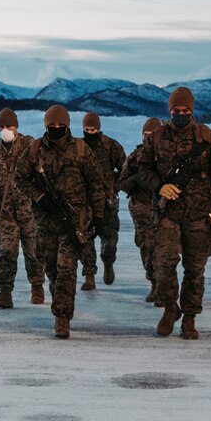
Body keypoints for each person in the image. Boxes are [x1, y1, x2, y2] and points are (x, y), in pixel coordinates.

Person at [137, 87, 211, 339]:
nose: (180, 114)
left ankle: (189, 317)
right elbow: (143, 170)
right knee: (164, 263)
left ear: (192, 110)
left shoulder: (208, 138)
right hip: (167, 212)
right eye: (176, 110)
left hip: (199, 214)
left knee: (195, 268)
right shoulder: (156, 137)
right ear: (170, 111)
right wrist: (159, 186)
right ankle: (170, 308)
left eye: (185, 110)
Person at [17, 105, 105, 338]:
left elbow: (96, 183)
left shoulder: (80, 149)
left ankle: (62, 318)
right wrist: (39, 197)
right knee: (52, 269)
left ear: (67, 126)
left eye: (60, 126)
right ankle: (59, 303)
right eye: (52, 126)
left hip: (73, 221)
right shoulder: (34, 150)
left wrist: (98, 216)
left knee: (67, 269)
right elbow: (18, 180)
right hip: (45, 222)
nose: (56, 129)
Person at [0, 108, 45, 308]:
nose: (6, 130)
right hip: (6, 213)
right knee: (6, 253)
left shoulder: (30, 146)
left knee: (33, 252)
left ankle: (37, 286)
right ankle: (5, 292)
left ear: (17, 126)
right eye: (2, 126)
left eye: (9, 126)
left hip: (30, 210)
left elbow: (43, 174)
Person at [79, 112, 126, 290]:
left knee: (110, 239)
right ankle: (89, 275)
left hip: (107, 201)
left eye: (93, 129)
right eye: (87, 129)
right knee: (86, 240)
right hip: (86, 202)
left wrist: (115, 185)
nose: (90, 132)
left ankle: (108, 262)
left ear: (99, 128)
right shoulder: (79, 147)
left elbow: (125, 168)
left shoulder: (110, 146)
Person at [118, 117, 163, 304]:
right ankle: (153, 282)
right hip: (141, 208)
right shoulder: (135, 156)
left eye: (153, 135)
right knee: (146, 246)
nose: (149, 138)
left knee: (163, 248)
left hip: (163, 208)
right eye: (146, 135)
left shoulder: (167, 156)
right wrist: (134, 180)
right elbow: (121, 182)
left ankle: (163, 286)